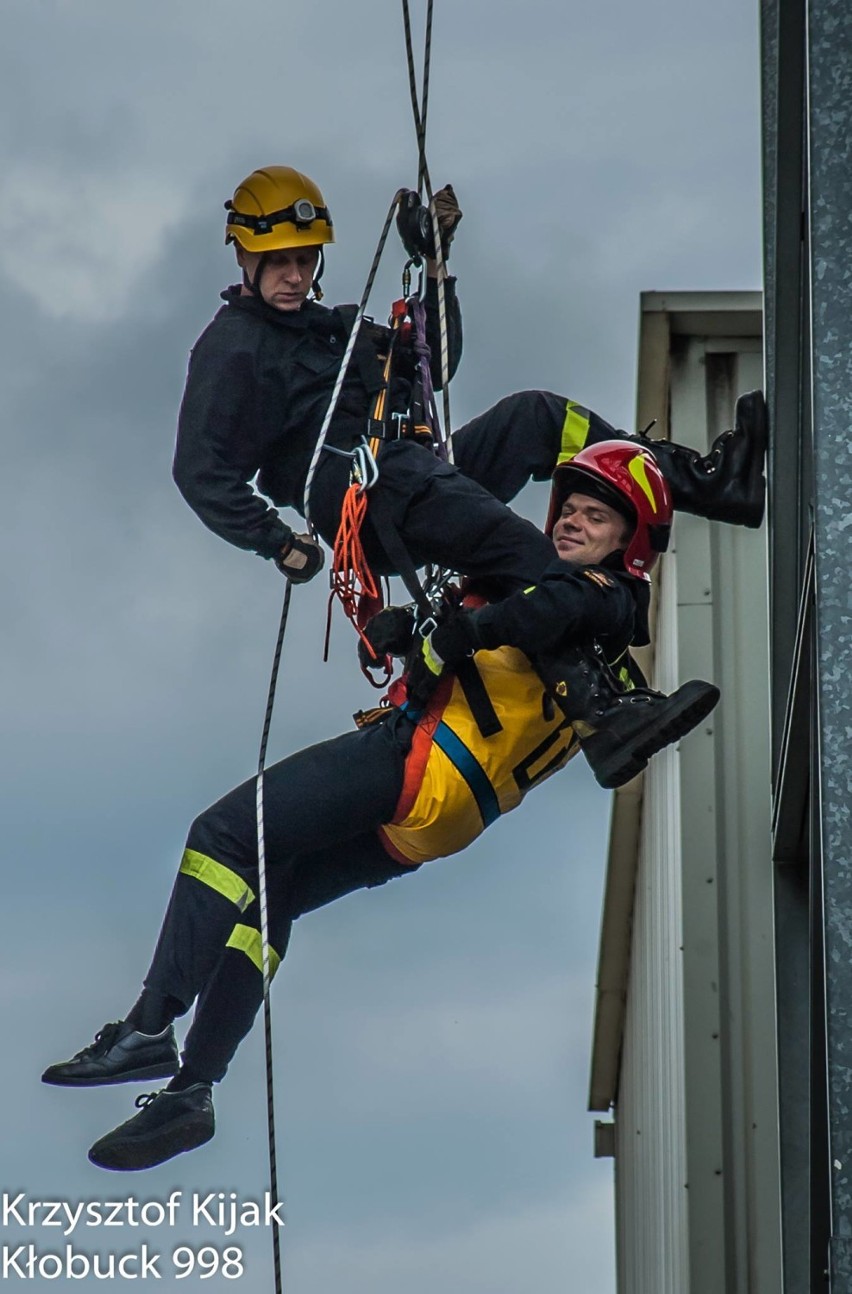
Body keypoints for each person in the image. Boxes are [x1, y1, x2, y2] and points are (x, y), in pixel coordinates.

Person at [42, 441, 720, 1171]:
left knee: (225, 834)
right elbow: (510, 652)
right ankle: (193, 1092)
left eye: (595, 517)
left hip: (424, 760)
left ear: (631, 543)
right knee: (272, 898)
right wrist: (421, 642)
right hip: (451, 816)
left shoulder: (600, 597)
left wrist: (462, 631)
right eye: (570, 511)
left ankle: (148, 1026)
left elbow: (545, 609)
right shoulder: (585, 634)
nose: (571, 524)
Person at [173, 164, 768, 598]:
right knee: (522, 548)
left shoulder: (333, 329)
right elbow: (201, 472)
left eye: (305, 259)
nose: (295, 275)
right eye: (279, 261)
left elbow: (437, 364)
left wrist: (435, 262)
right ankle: (601, 699)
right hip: (375, 504)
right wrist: (276, 541)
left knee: (539, 416)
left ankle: (711, 486)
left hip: (417, 473)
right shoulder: (231, 351)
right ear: (243, 256)